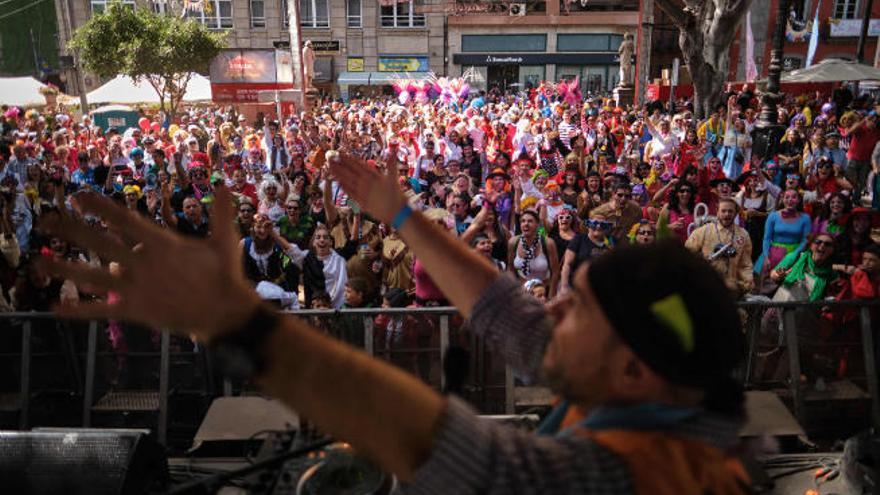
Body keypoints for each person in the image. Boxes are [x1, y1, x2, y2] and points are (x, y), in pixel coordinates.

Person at [39, 169, 751, 494]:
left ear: (633, 372)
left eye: (577, 307)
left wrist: (236, 321)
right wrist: (403, 216)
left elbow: (477, 462)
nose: (550, 311)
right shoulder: (661, 388)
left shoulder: (644, 477)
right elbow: (513, 315)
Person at [685, 199, 754, 295]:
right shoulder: (704, 231)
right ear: (717, 211)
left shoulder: (743, 235)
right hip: (706, 285)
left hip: (732, 289)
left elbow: (745, 264)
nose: (727, 214)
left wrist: (747, 283)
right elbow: (686, 254)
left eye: (730, 211)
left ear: (735, 213)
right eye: (723, 211)